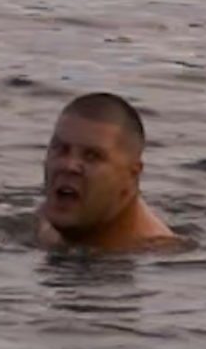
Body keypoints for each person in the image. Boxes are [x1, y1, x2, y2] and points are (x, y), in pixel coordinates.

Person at [35, 91, 180, 253]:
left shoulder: (154, 255)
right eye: (61, 149)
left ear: (132, 175)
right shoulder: (50, 218)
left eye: (92, 156)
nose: (69, 165)